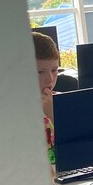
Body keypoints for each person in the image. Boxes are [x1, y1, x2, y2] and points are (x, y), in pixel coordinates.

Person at [33, 31, 60, 168]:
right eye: (40, 72)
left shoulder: (63, 101)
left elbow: (77, 146)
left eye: (54, 70)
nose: (50, 79)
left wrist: (54, 115)